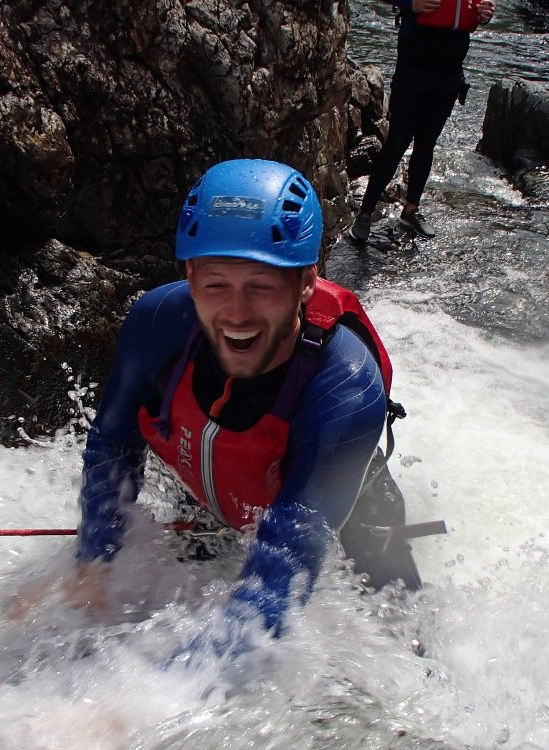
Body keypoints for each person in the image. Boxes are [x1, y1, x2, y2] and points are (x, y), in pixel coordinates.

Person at [70, 159, 427, 664]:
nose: (236, 313)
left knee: (401, 648)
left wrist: (138, 707)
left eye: (261, 285)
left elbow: (276, 589)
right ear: (190, 278)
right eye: (216, 284)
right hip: (215, 485)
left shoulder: (344, 387)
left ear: (305, 283)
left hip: (340, 507)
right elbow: (113, 444)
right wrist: (94, 561)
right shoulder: (155, 324)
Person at [349, 0, 496, 242]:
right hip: (413, 73)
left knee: (426, 144)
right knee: (397, 143)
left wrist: (485, 15)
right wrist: (410, 4)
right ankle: (364, 213)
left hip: (448, 77)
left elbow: (477, 9)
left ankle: (410, 211)